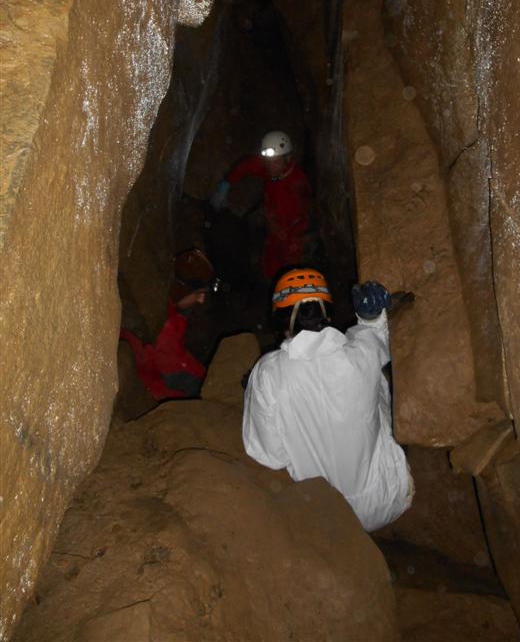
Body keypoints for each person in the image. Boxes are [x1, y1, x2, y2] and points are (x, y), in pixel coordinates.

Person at [242, 268, 414, 532]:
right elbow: (373, 335)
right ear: (327, 313)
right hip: (385, 500)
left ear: (279, 318)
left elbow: (269, 455)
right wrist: (371, 315)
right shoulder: (361, 356)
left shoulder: (269, 373)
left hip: (322, 516)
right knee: (377, 382)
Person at [210, 131, 311, 279]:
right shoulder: (275, 172)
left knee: (288, 277)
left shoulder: (296, 186)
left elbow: (303, 220)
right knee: (269, 271)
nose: (271, 167)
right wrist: (226, 184)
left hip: (291, 240)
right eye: (268, 162)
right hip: (273, 235)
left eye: (276, 162)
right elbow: (248, 165)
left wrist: (288, 238)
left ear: (288, 159)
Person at [120, 249, 216, 400]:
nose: (201, 300)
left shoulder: (165, 305)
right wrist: (210, 381)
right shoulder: (164, 324)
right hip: (152, 387)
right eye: (198, 294)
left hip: (155, 376)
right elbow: (175, 365)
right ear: (182, 290)